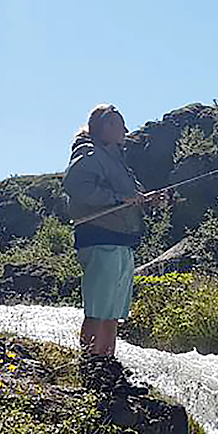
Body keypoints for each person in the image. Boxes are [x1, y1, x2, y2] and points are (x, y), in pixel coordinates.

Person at [62, 104, 157, 358]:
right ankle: (91, 364)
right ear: (105, 128)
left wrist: (148, 201)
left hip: (120, 242)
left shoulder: (115, 161)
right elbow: (74, 186)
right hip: (99, 239)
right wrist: (116, 198)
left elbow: (131, 197)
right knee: (99, 311)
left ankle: (106, 363)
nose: (125, 130)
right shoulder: (90, 155)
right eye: (120, 124)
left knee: (112, 313)